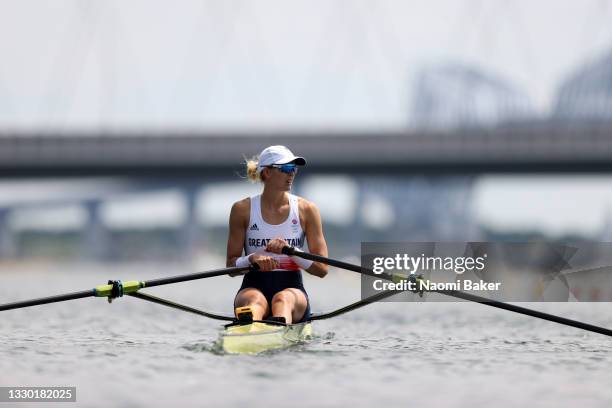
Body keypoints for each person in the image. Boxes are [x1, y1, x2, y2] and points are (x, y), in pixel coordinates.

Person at [226, 145, 328, 324]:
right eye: (286, 168)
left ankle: (275, 327)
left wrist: (291, 251)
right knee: (254, 301)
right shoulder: (242, 210)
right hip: (253, 285)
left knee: (282, 300)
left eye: (294, 168)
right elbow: (231, 267)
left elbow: (322, 269)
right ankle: (249, 329)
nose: (292, 174)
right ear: (266, 173)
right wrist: (251, 259)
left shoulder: (307, 210)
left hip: (293, 290)